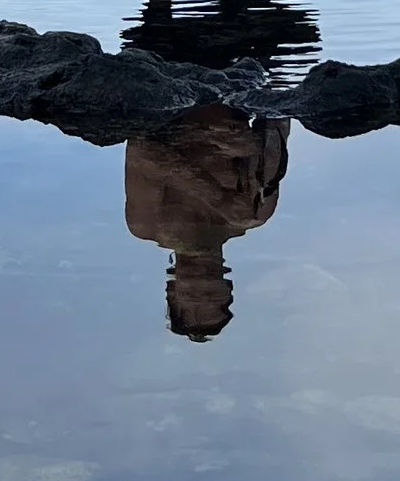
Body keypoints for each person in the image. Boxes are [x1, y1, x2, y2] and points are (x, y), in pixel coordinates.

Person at [123, 103, 291, 339]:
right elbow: (278, 120)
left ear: (171, 289)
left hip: (170, 95)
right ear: (228, 288)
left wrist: (219, 197)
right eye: (210, 295)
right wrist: (254, 146)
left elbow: (140, 148)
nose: (201, 285)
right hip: (238, 90)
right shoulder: (256, 213)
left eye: (192, 296)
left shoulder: (146, 224)